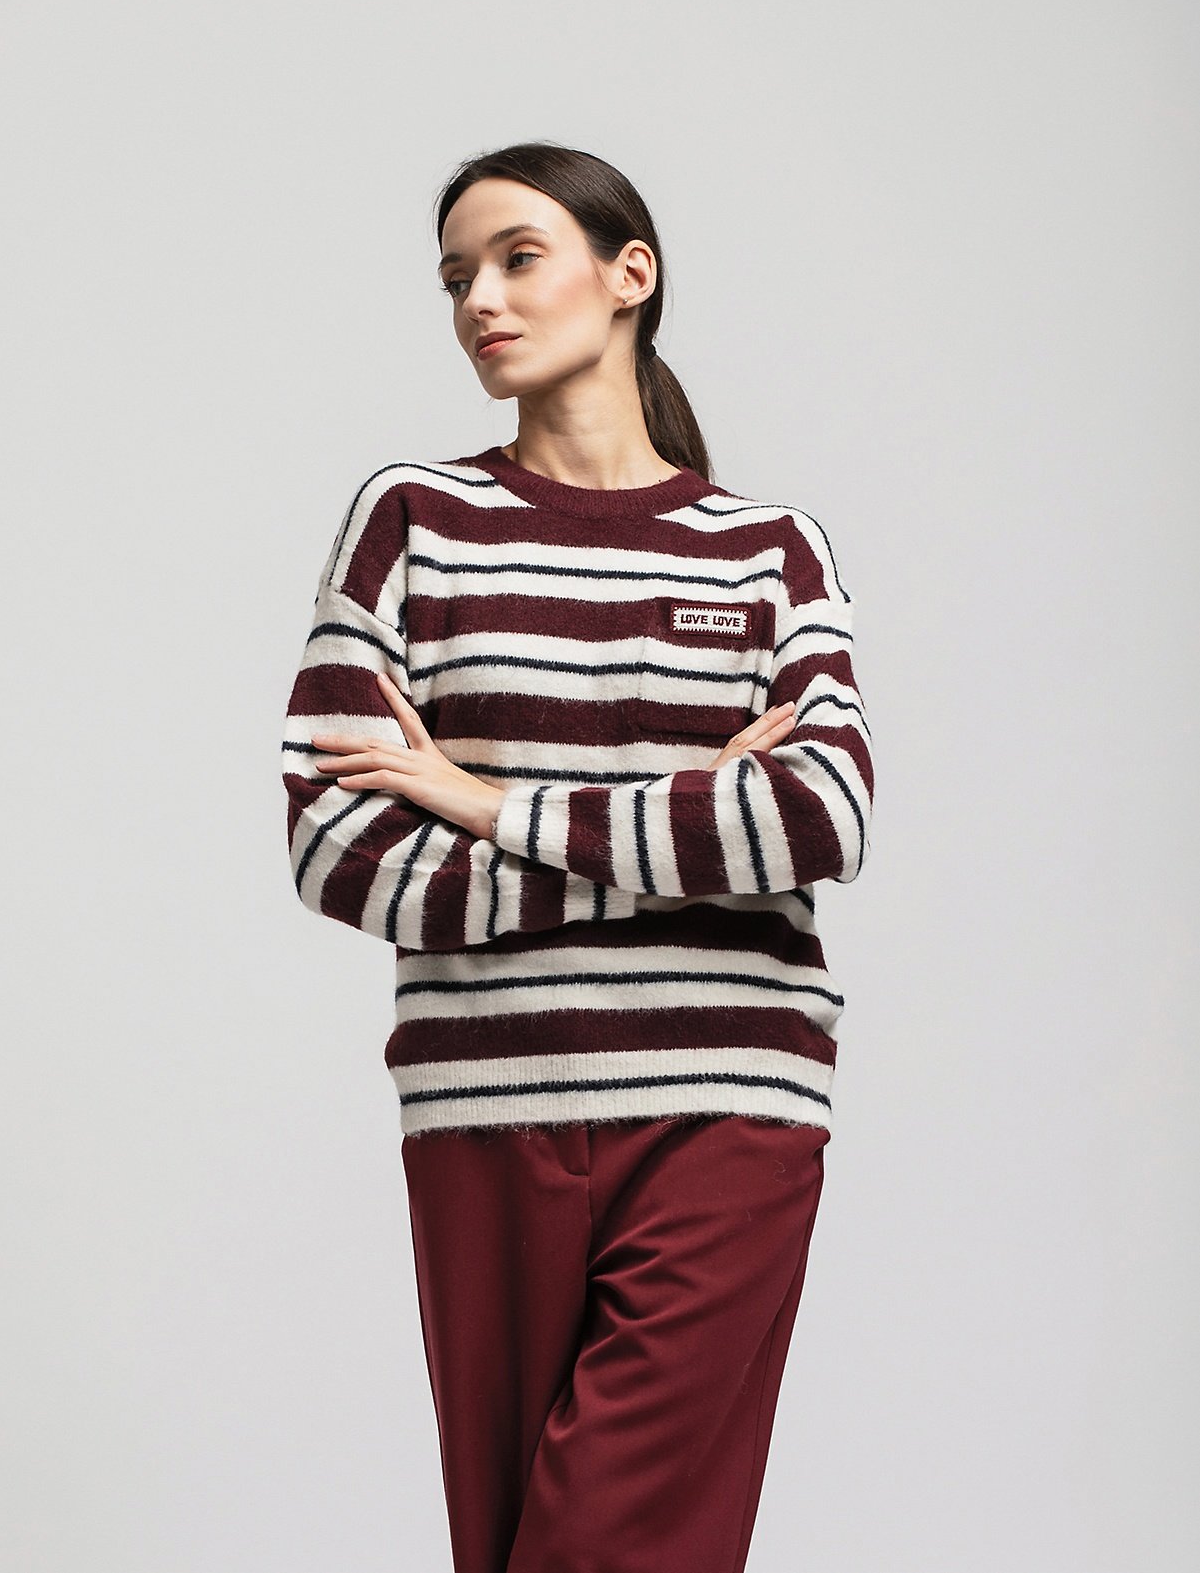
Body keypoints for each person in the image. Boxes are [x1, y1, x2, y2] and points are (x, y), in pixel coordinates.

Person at [281, 140, 874, 1573]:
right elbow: (336, 846)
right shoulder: (412, 521)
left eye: (516, 258)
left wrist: (487, 802)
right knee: (509, 1546)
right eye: (454, 278)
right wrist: (682, 821)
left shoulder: (769, 551)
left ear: (629, 275)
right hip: (485, 1100)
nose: (478, 300)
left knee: (613, 1543)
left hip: (728, 1101)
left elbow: (820, 818)